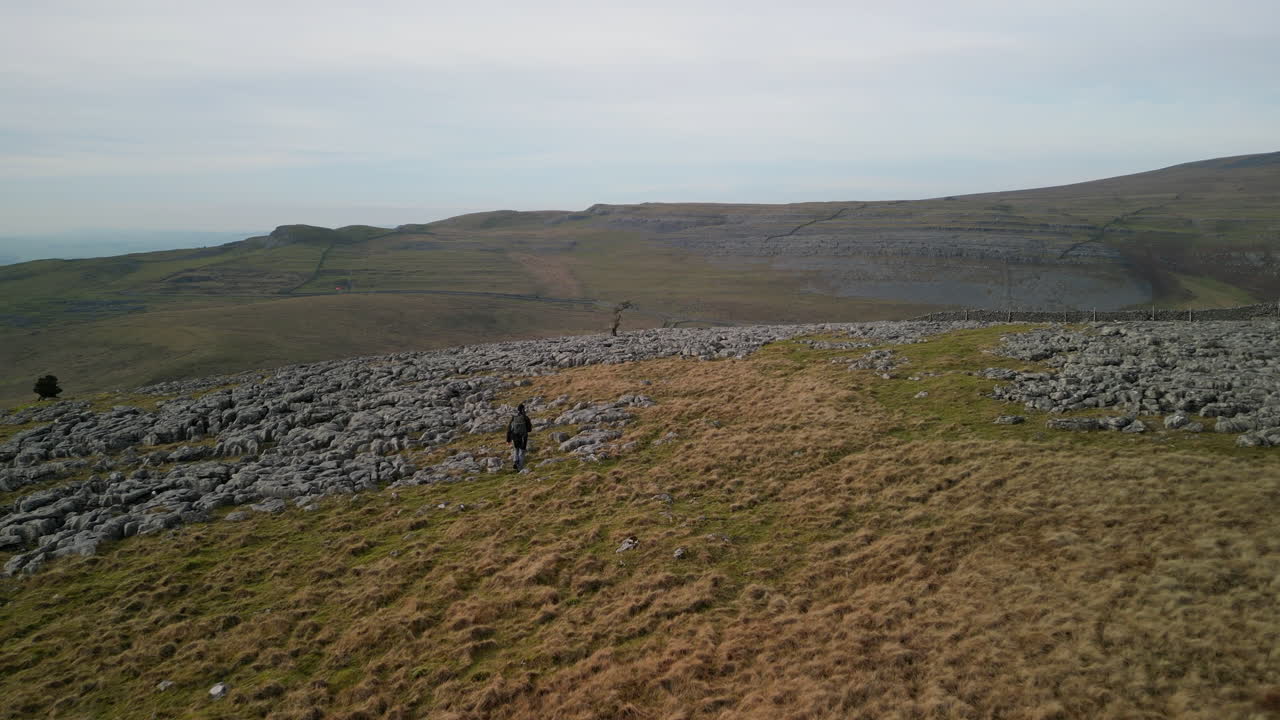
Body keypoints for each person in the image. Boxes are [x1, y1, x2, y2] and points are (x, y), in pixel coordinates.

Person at [506, 403, 531, 470]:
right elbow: (529, 429)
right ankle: (520, 468)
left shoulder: (514, 418)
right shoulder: (525, 418)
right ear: (523, 409)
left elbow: (509, 429)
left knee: (516, 449)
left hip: (514, 436)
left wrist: (508, 440)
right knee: (522, 451)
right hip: (523, 436)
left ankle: (515, 461)